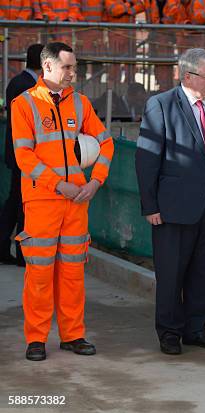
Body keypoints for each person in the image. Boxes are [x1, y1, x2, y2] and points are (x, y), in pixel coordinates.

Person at [11, 42, 114, 361]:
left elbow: (106, 143)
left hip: (77, 203)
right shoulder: (24, 103)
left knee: (72, 272)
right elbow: (23, 156)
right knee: (39, 273)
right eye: (68, 67)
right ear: (48, 67)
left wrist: (95, 182)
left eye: (75, 67)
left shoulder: (81, 104)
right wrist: (59, 185)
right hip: (42, 201)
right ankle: (36, 339)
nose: (74, 73)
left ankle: (73, 335)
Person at [135, 48, 205, 355]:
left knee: (203, 273)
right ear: (187, 76)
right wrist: (150, 206)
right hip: (172, 208)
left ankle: (196, 328)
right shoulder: (162, 105)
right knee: (171, 274)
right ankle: (169, 332)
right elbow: (147, 158)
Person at [0, 43, 44, 266]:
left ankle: (3, 247)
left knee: (14, 200)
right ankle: (21, 252)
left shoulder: (19, 82)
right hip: (23, 154)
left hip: (18, 151)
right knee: (22, 204)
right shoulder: (26, 86)